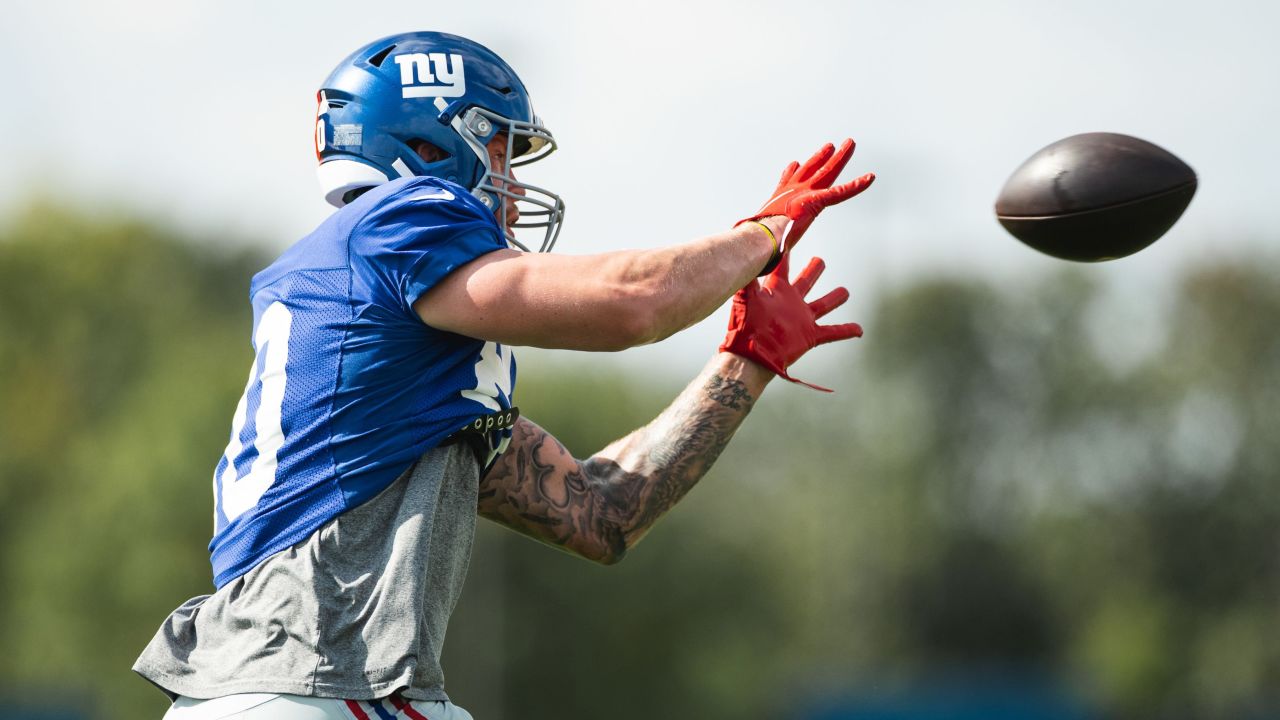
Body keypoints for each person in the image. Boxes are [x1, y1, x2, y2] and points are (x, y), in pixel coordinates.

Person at [133, 30, 874, 720]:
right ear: (427, 143)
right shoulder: (400, 215)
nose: (511, 180)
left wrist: (744, 365)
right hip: (316, 684)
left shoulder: (397, 362)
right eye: (500, 148)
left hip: (289, 691)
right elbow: (631, 302)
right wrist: (761, 236)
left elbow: (603, 513)